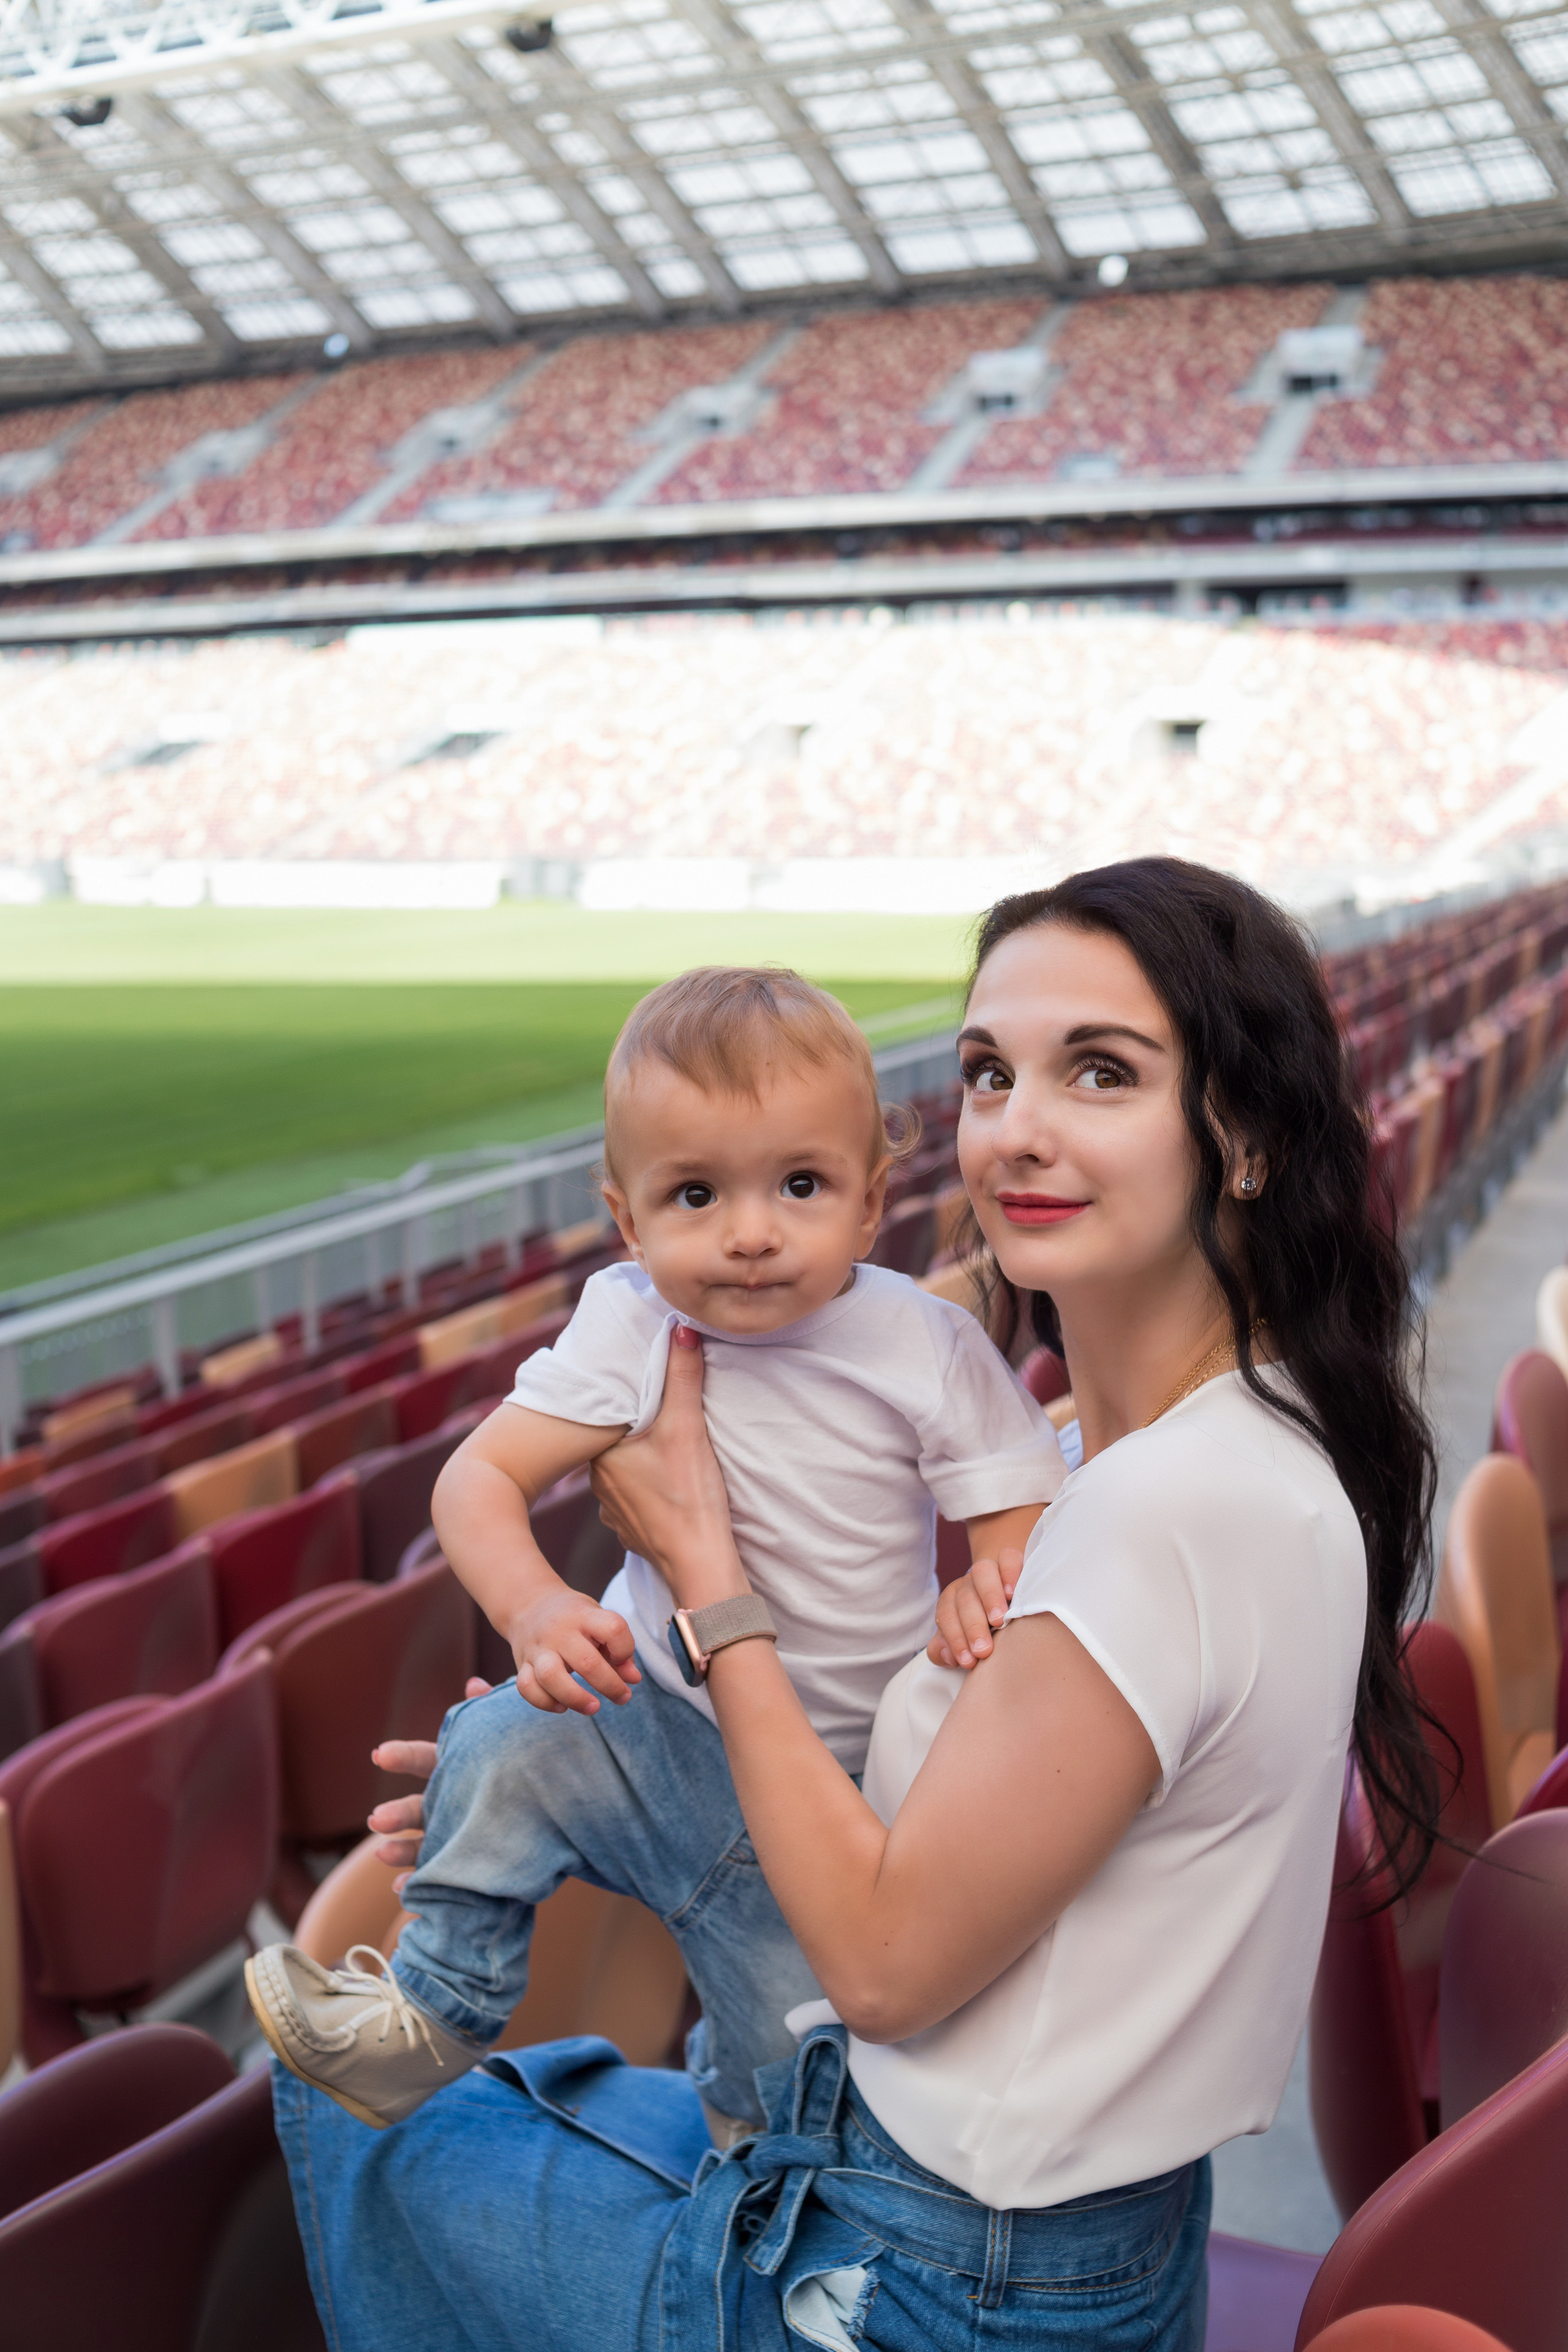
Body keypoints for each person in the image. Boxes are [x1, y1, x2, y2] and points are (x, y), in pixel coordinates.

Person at [271, 858, 1439, 2352]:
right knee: (502, 2008)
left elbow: (881, 1968)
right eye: (986, 1070)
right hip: (1046, 2236)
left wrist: (710, 1583)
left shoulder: (1165, 1508)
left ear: (1248, 1135)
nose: (1017, 1123)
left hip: (934, 2279)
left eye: (1098, 1071)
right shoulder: (1136, 1456)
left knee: (332, 2108)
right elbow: (964, 1815)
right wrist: (600, 1774)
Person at [247, 965, 1065, 2135]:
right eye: (694, 1194)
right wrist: (534, 1609)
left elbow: (1017, 1491)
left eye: (799, 1185)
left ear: (873, 1202)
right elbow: (478, 1478)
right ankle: (432, 2007)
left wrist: (990, 1572)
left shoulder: (919, 1337)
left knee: (795, 2021)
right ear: (626, 1220)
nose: (748, 1233)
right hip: (663, 1716)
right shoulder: (632, 1320)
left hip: (856, 1777)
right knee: (504, 1735)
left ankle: (750, 2126)